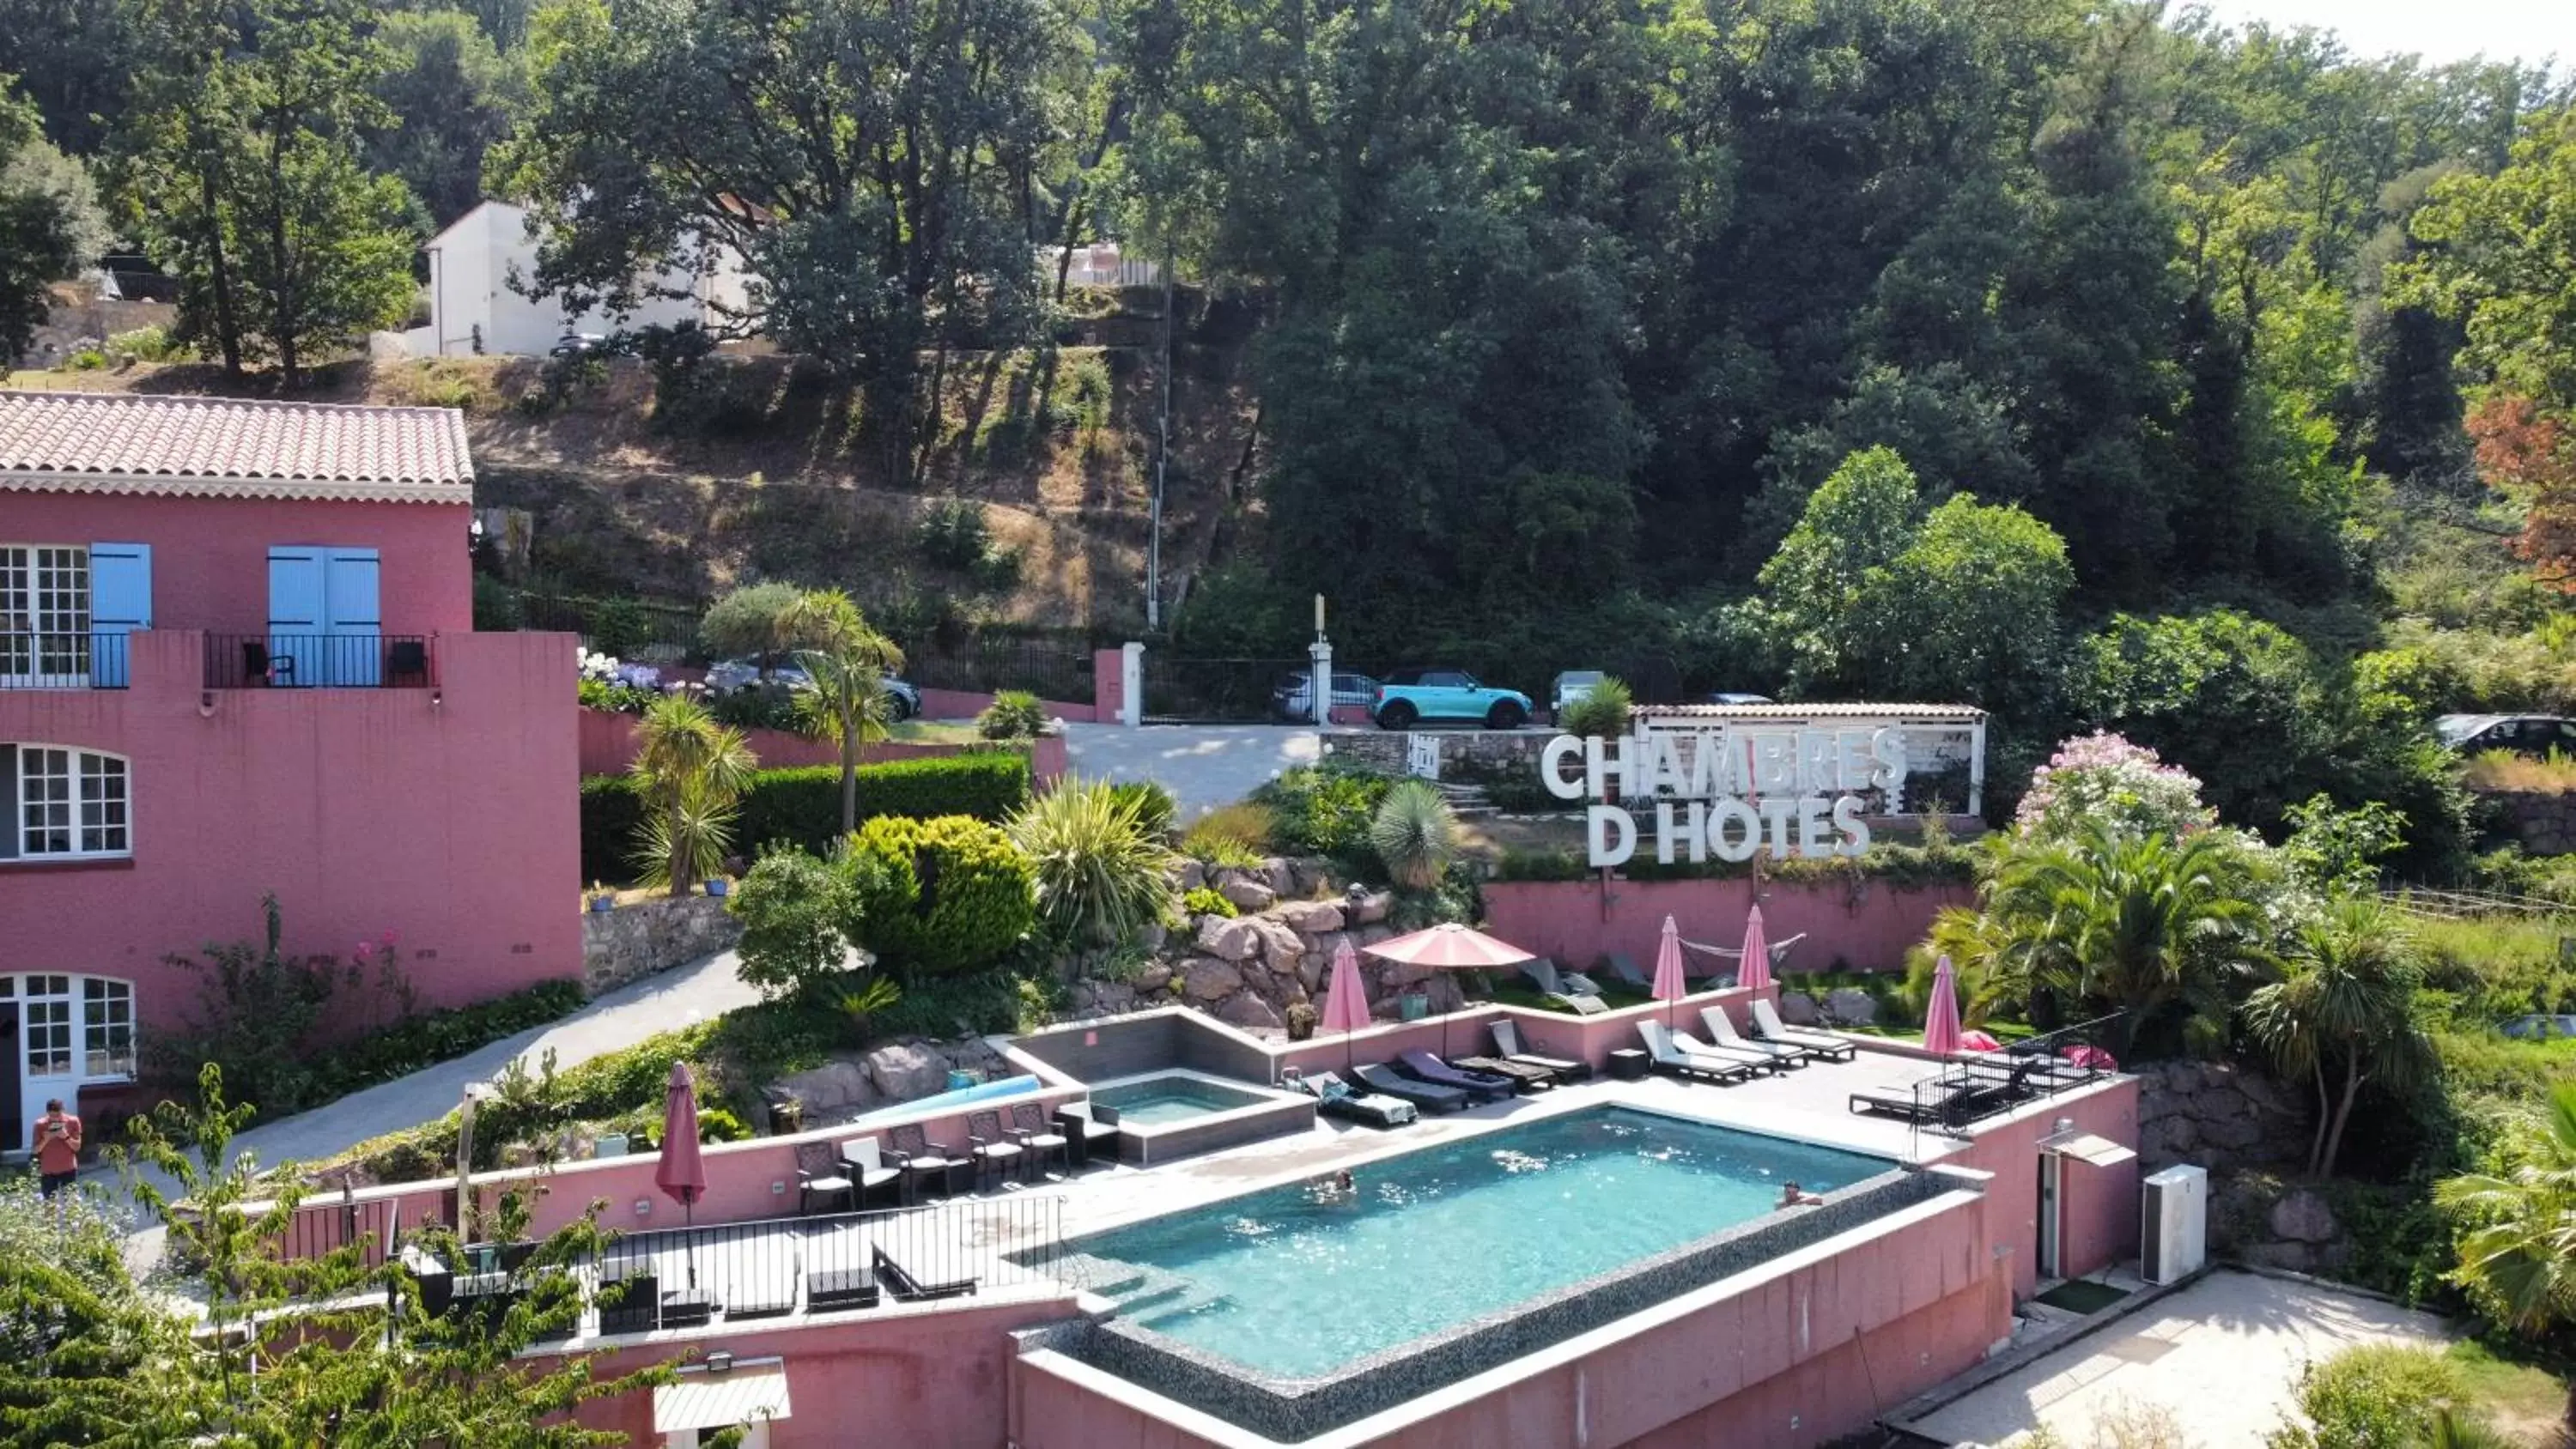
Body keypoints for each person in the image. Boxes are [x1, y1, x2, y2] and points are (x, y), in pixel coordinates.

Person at [33, 1098, 82, 1199]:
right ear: (47, 1113)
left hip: (68, 1169)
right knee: (49, 1205)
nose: (55, 1118)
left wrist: (66, 1137)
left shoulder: (73, 1121)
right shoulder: (40, 1124)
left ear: (63, 1111)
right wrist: (46, 1140)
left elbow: (77, 1148)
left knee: (72, 1203)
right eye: (52, 1116)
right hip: (48, 1171)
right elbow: (35, 1150)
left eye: (57, 1115)